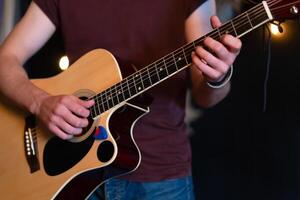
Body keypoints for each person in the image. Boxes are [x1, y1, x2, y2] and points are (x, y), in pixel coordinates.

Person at [0, 0, 242, 199]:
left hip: (159, 178)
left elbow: (205, 95)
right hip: (70, 175)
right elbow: (5, 60)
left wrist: (217, 77)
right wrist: (39, 102)